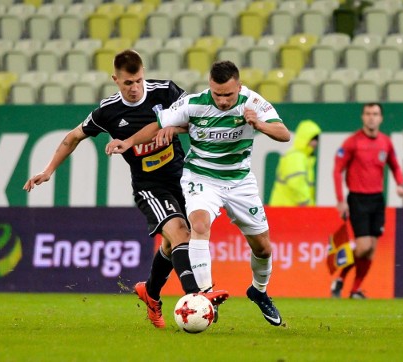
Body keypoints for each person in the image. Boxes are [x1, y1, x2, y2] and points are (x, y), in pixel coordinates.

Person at [23, 49, 227, 329]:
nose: (134, 88)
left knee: (171, 243)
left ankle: (150, 293)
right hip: (150, 186)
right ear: (116, 80)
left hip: (182, 177)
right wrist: (48, 171)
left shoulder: (166, 91)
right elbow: (72, 138)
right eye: (128, 83)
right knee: (181, 232)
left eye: (139, 81)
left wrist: (174, 128)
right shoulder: (108, 111)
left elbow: (197, 117)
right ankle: (198, 296)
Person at [105, 60, 291, 326]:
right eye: (217, 94)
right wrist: (129, 142)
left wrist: (259, 124)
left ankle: (258, 292)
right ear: (210, 88)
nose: (223, 100)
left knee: (263, 248)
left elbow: (284, 134)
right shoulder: (193, 103)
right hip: (201, 177)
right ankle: (204, 295)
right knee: (199, 224)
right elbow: (157, 125)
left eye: (228, 94)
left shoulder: (253, 102)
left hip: (239, 181)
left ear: (239, 86)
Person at [331, 103, 403, 299]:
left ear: (381, 118)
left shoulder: (386, 142)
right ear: (363, 117)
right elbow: (337, 170)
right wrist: (340, 200)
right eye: (368, 114)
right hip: (357, 199)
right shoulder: (352, 142)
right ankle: (340, 277)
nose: (372, 117)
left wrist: (400, 183)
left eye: (375, 114)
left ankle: (355, 289)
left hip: (377, 199)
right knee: (363, 247)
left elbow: (395, 166)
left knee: (371, 250)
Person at [269, 119, 321, 206]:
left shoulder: (303, 156)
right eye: (313, 138)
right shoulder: (296, 156)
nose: (315, 142)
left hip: (289, 208)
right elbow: (296, 182)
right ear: (305, 138)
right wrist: (306, 203)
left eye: (317, 139)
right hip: (287, 209)